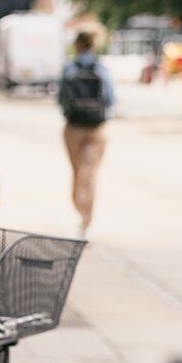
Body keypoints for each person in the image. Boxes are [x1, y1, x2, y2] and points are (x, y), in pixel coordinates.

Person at [58, 32, 116, 235]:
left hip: (74, 128)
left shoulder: (69, 68)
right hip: (97, 128)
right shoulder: (101, 68)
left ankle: (79, 209)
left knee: (77, 171)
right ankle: (86, 216)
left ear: (77, 44)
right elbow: (110, 100)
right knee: (89, 172)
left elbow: (61, 99)